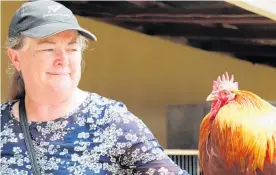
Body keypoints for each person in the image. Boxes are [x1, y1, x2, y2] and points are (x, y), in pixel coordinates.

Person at [1, 0, 190, 174]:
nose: (63, 60)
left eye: (72, 49)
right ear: (16, 58)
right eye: (48, 49)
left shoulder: (111, 121)